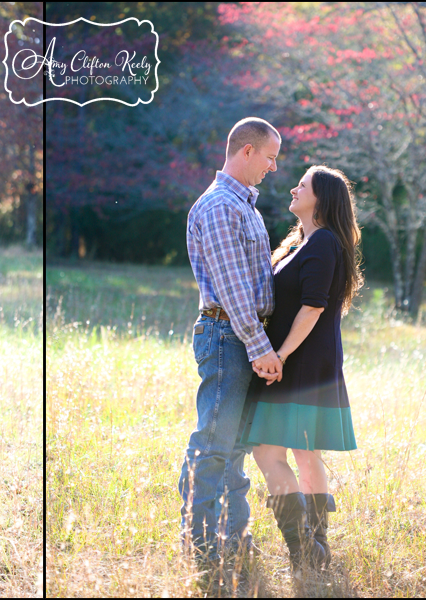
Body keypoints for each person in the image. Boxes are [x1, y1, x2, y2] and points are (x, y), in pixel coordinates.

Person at [241, 165, 362, 576]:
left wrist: (281, 355)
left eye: (303, 185)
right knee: (304, 451)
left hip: (302, 362)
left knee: (269, 451)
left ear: (322, 199)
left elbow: (313, 306)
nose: (293, 188)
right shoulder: (301, 242)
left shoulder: (324, 242)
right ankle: (314, 545)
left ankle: (305, 546)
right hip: (302, 361)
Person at [178, 117, 285, 569]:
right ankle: (201, 543)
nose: (273, 167)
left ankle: (234, 539)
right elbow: (234, 287)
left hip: (238, 333)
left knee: (235, 447)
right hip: (228, 335)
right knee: (215, 441)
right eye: (270, 157)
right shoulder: (222, 206)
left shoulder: (244, 205)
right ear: (246, 151)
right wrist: (259, 345)